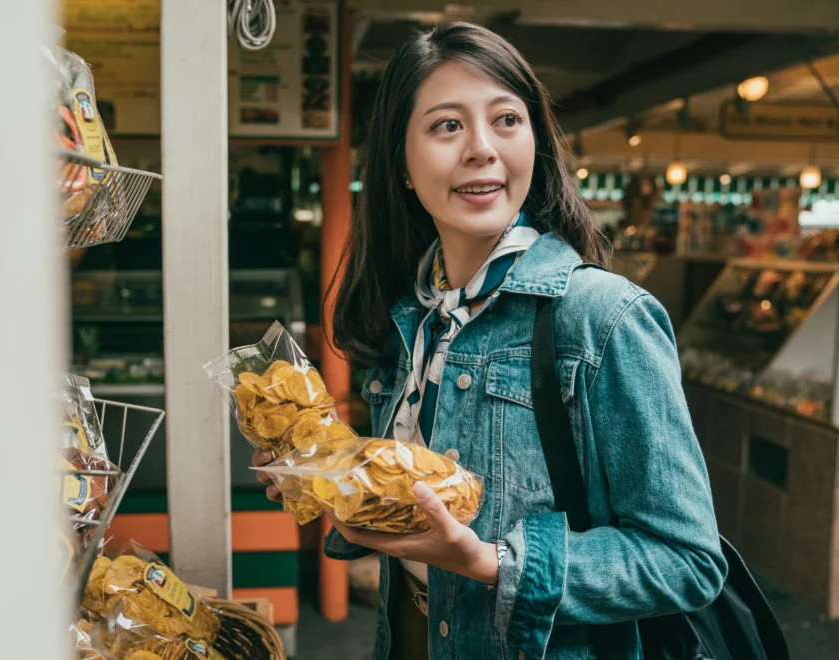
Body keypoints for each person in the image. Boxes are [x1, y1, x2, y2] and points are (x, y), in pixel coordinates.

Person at [253, 22, 726, 660]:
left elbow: (687, 560)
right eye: (448, 125)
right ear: (400, 162)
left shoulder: (603, 317)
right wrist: (330, 484)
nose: (482, 148)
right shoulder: (411, 317)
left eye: (506, 119)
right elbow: (415, 515)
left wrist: (490, 562)